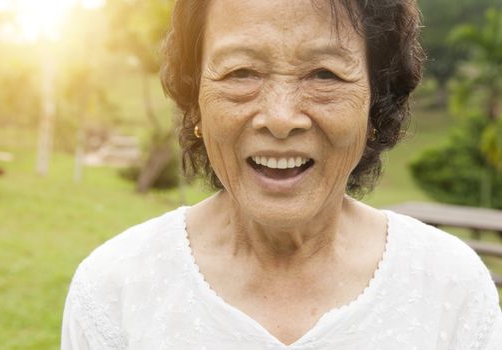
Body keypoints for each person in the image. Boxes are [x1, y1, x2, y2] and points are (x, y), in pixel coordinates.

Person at [61, 0, 502, 349]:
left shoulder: (450, 285)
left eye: (324, 74)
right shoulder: (115, 288)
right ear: (196, 100)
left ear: (376, 104)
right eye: (241, 72)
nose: (280, 117)